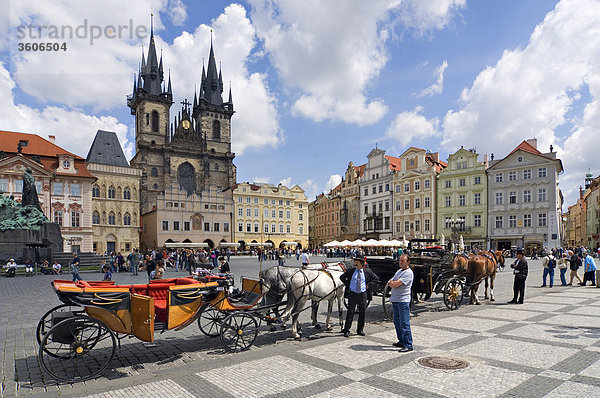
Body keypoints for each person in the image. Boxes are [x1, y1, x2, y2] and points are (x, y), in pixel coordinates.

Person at [340, 256, 379, 338]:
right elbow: (342, 277)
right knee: (350, 312)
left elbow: (376, 279)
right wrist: (348, 285)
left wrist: (368, 285)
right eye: (355, 262)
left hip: (362, 294)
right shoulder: (351, 271)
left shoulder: (367, 272)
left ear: (361, 263)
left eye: (357, 262)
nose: (355, 263)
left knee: (362, 313)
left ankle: (360, 330)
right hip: (353, 294)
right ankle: (347, 330)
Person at [387, 254, 413, 352]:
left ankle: (408, 344)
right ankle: (401, 341)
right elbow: (391, 281)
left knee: (404, 322)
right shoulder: (399, 271)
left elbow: (395, 284)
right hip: (395, 300)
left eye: (403, 261)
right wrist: (392, 283)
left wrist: (392, 284)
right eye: (400, 260)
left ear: (408, 262)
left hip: (403, 301)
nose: (400, 262)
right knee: (397, 322)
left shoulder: (408, 273)